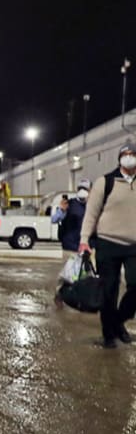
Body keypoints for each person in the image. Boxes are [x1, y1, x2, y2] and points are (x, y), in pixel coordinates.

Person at [79, 144, 136, 348]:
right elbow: (91, 214)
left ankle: (119, 320)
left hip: (134, 246)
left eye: (133, 154)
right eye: (125, 155)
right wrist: (84, 240)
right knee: (109, 290)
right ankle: (109, 334)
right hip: (108, 243)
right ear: (120, 158)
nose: (129, 158)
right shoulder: (106, 182)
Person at [53, 179, 89, 259]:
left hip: (88, 246)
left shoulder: (94, 205)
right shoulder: (69, 204)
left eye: (85, 189)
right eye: (80, 188)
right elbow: (54, 220)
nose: (82, 191)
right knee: (69, 270)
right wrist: (62, 210)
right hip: (70, 246)